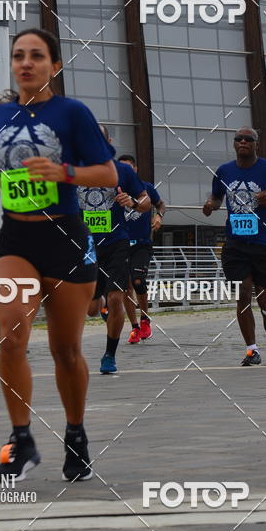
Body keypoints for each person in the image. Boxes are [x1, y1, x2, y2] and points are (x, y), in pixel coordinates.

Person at [0, 28, 117, 482]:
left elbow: (110, 175)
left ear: (54, 66)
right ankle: (21, 439)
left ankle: (75, 433)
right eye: (18, 56)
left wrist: (64, 171)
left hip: (66, 242)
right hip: (16, 240)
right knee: (12, 335)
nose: (26, 63)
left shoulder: (72, 113)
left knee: (67, 351)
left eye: (36, 56)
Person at [203, 127, 266, 366]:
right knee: (243, 292)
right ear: (234, 144)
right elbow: (216, 197)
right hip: (235, 244)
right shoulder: (224, 171)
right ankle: (251, 349)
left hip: (265, 243)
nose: (243, 142)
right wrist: (210, 205)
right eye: (239, 139)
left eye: (249, 139)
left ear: (257, 144)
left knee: (264, 295)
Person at [78, 136, 150, 372]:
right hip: (87, 246)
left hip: (117, 243)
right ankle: (101, 304)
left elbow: (146, 201)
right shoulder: (74, 170)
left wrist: (132, 201)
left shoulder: (121, 171)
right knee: (90, 309)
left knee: (117, 297)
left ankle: (109, 355)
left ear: (108, 142)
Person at [117, 154, 165, 342]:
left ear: (135, 169)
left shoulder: (146, 188)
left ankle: (145, 319)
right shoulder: (112, 189)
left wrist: (159, 216)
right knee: (125, 288)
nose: (125, 172)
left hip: (142, 244)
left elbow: (160, 204)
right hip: (120, 244)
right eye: (121, 168)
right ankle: (135, 327)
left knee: (137, 281)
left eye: (129, 168)